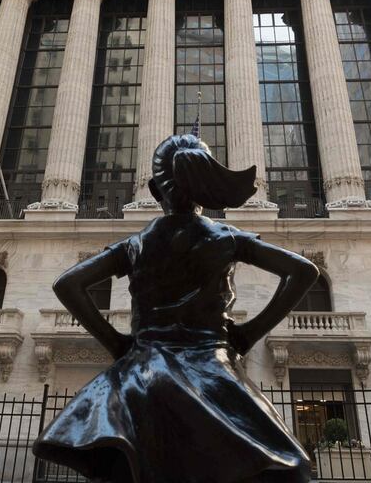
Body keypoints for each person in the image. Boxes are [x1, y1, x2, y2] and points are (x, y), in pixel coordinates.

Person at [33, 134, 320, 483]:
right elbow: (304, 271)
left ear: (156, 191)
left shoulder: (136, 244)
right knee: (290, 465)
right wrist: (248, 335)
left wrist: (117, 344)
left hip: (143, 372)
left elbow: (68, 284)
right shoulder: (227, 238)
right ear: (204, 188)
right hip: (211, 370)